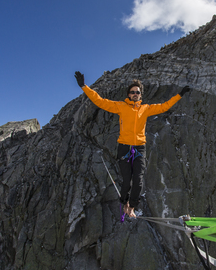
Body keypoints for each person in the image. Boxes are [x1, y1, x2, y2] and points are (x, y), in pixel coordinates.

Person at [75, 71, 190, 218]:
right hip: (124, 147)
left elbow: (164, 106)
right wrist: (84, 86)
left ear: (141, 95)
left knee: (138, 180)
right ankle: (125, 203)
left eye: (138, 92)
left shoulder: (146, 108)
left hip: (139, 147)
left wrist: (179, 95)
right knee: (126, 181)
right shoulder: (121, 106)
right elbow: (100, 101)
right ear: (128, 94)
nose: (135, 94)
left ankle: (132, 207)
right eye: (132, 92)